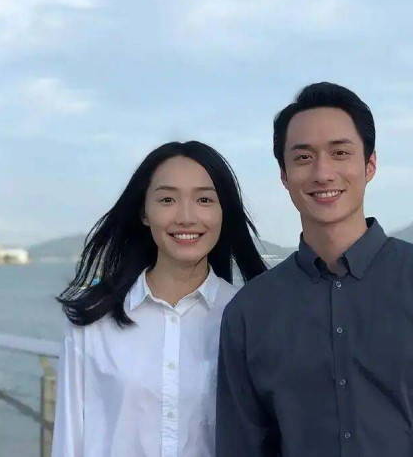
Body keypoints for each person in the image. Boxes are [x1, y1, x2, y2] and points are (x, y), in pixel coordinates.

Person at [216, 83, 413, 456]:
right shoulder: (249, 312)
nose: (323, 173)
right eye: (303, 157)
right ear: (284, 175)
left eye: (340, 153)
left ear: (370, 165)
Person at [53, 141, 266, 457]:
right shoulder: (93, 319)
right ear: (144, 212)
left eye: (204, 199)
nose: (186, 217)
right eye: (167, 199)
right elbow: (69, 442)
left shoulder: (249, 316)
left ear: (224, 212)